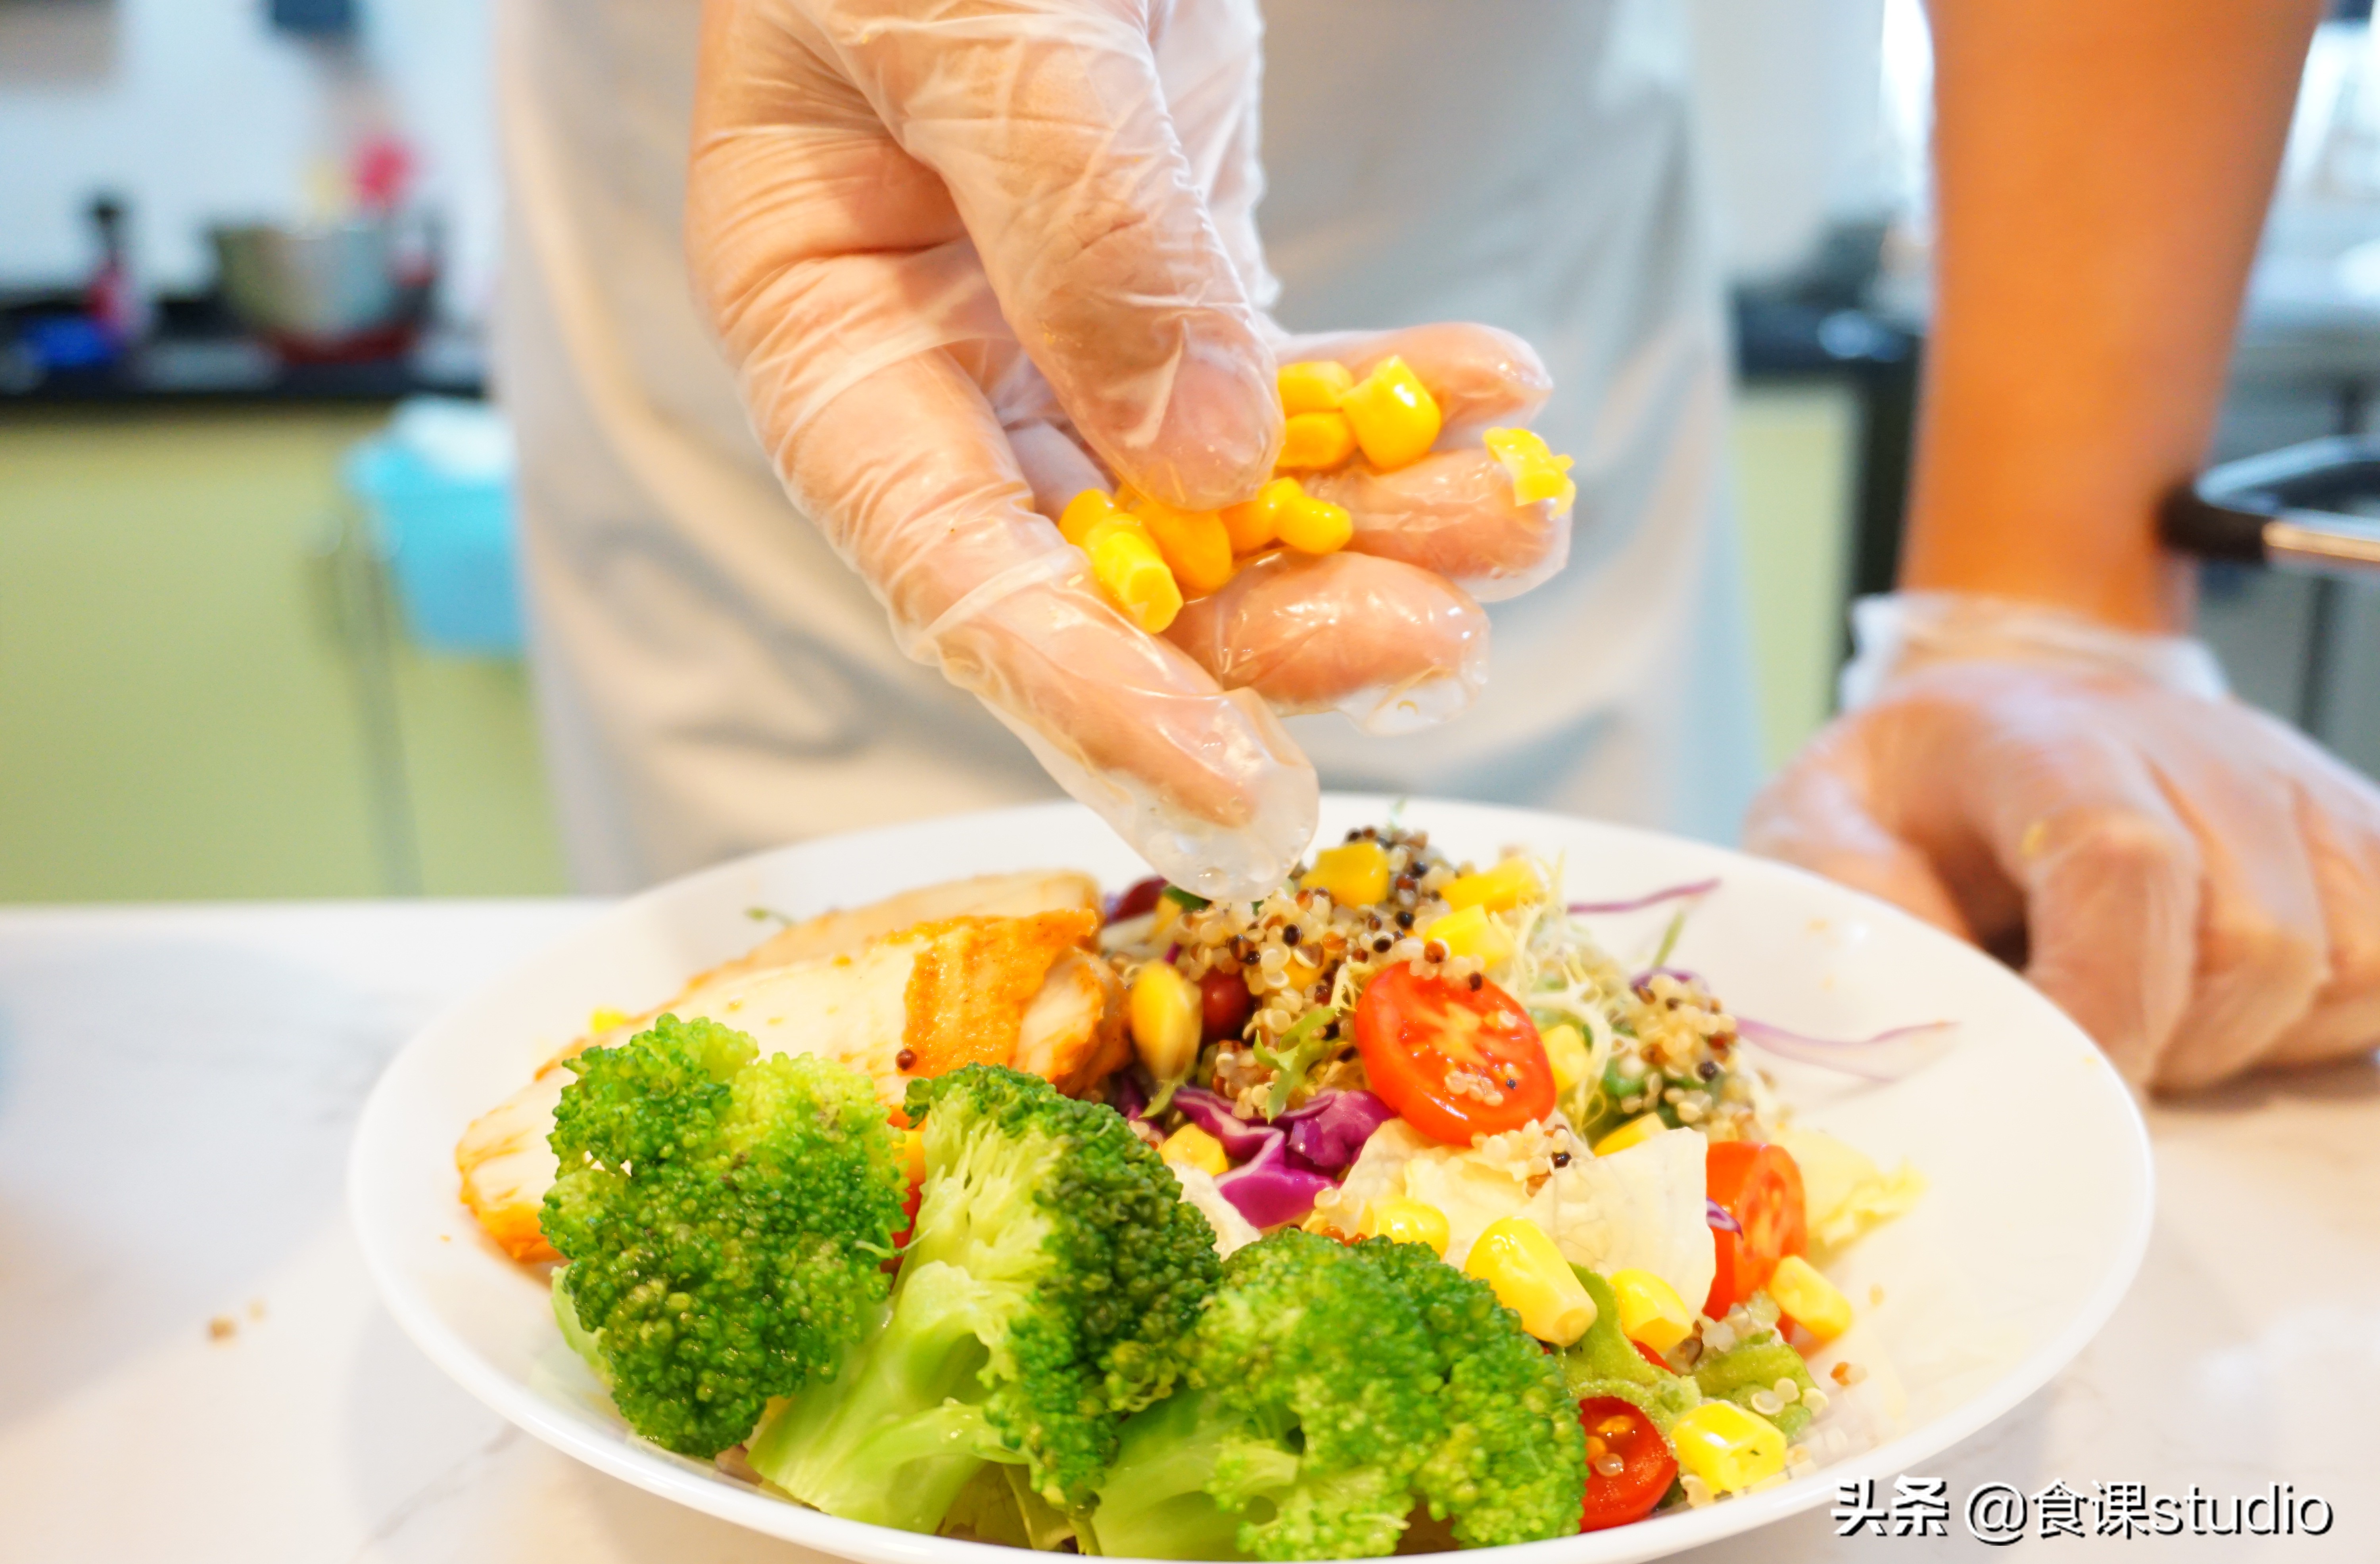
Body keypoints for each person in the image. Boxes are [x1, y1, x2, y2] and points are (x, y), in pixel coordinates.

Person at [496, 0, 2380, 1094]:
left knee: (1592, 1035)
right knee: (778, 1088)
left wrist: (2036, 601)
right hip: (761, 206)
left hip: (1498, 167)